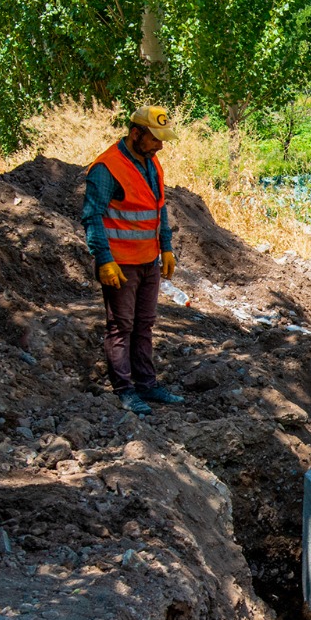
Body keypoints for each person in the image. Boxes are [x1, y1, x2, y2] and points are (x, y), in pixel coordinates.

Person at [82, 105, 186, 416]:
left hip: (147, 261)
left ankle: (147, 383)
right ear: (136, 133)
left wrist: (165, 247)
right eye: (155, 139)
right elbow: (92, 216)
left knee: (144, 325)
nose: (160, 145)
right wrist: (103, 259)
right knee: (120, 326)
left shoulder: (152, 164)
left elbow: (159, 209)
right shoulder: (107, 168)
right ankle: (125, 390)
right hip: (121, 264)